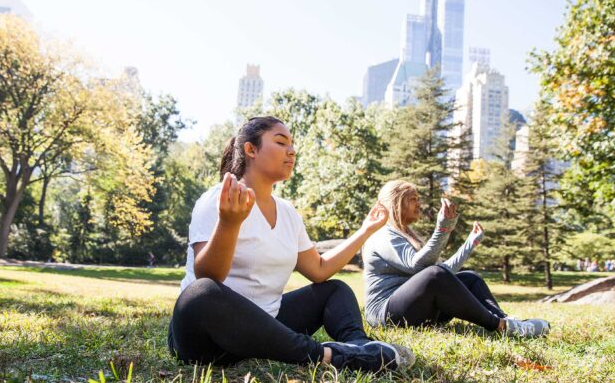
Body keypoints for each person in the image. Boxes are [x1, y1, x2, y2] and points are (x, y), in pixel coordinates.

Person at [167, 117, 415, 373]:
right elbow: (209, 276)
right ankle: (331, 356)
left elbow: (318, 269)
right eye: (280, 142)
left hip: (269, 325)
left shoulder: (287, 213)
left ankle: (360, 347)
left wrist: (365, 231)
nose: (292, 150)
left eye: (292, 144)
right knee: (201, 294)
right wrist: (229, 223)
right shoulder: (219, 200)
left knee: (334, 290)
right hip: (207, 338)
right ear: (251, 150)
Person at [363, 180, 550, 337]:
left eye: (419, 199)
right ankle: (500, 326)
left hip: (413, 310)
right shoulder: (382, 235)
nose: (419, 204)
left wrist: (470, 244)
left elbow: (442, 275)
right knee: (434, 275)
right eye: (413, 199)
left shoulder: (404, 234)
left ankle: (507, 320)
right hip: (385, 315)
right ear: (396, 203)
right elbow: (420, 268)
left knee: (470, 278)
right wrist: (443, 229)